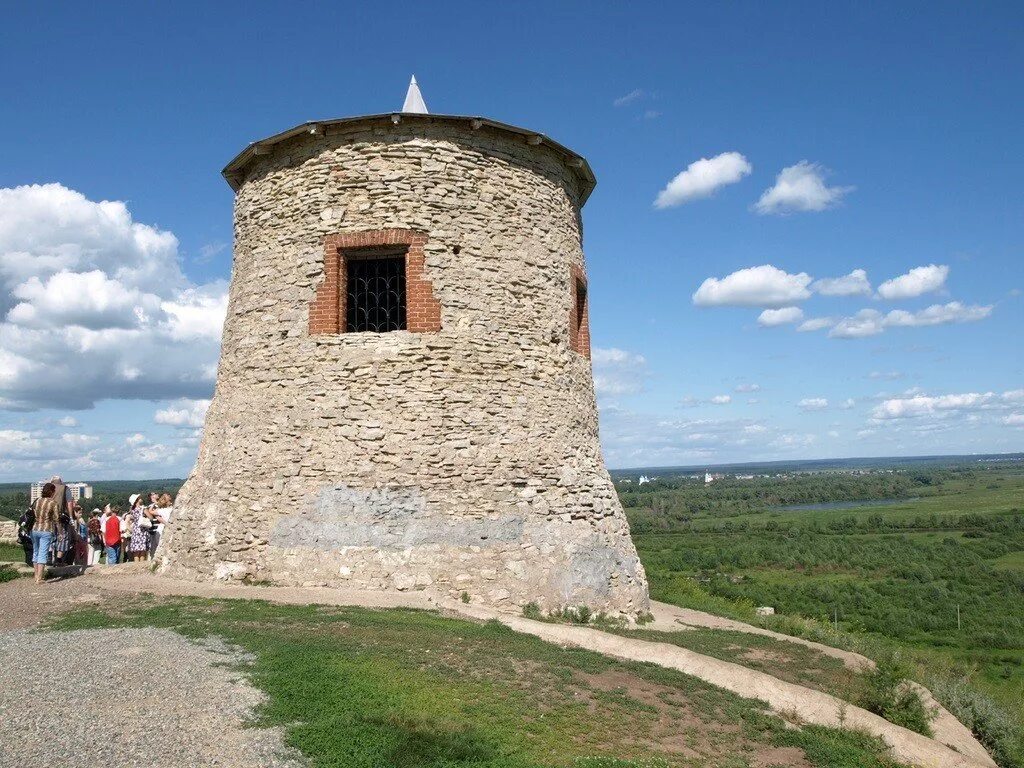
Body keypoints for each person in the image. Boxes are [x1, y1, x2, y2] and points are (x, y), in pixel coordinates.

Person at [31, 482, 60, 584]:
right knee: (43, 553)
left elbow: (33, 513)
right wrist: (60, 532)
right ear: (52, 492)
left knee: (35, 552)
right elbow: (56, 519)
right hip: (46, 529)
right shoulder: (53, 503)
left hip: (34, 529)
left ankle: (36, 575)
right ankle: (39, 578)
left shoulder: (37, 501)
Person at [125, 494, 150, 562]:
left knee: (136, 550)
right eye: (139, 498)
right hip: (142, 530)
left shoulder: (132, 509)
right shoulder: (143, 509)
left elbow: (131, 518)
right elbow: (151, 517)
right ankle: (141, 566)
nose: (141, 498)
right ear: (137, 500)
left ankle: (136, 565)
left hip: (135, 529)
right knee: (142, 550)